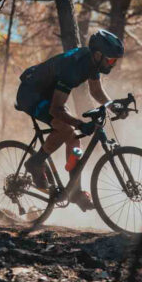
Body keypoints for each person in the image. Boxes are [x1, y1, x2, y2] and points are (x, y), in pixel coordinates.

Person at [16, 30, 125, 210]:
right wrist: (81, 124)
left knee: (74, 138)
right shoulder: (73, 69)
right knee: (67, 129)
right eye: (111, 60)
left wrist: (113, 106)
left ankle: (75, 191)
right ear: (98, 55)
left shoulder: (92, 63)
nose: (112, 64)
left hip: (49, 94)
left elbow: (96, 91)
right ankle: (35, 162)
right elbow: (56, 109)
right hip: (31, 94)